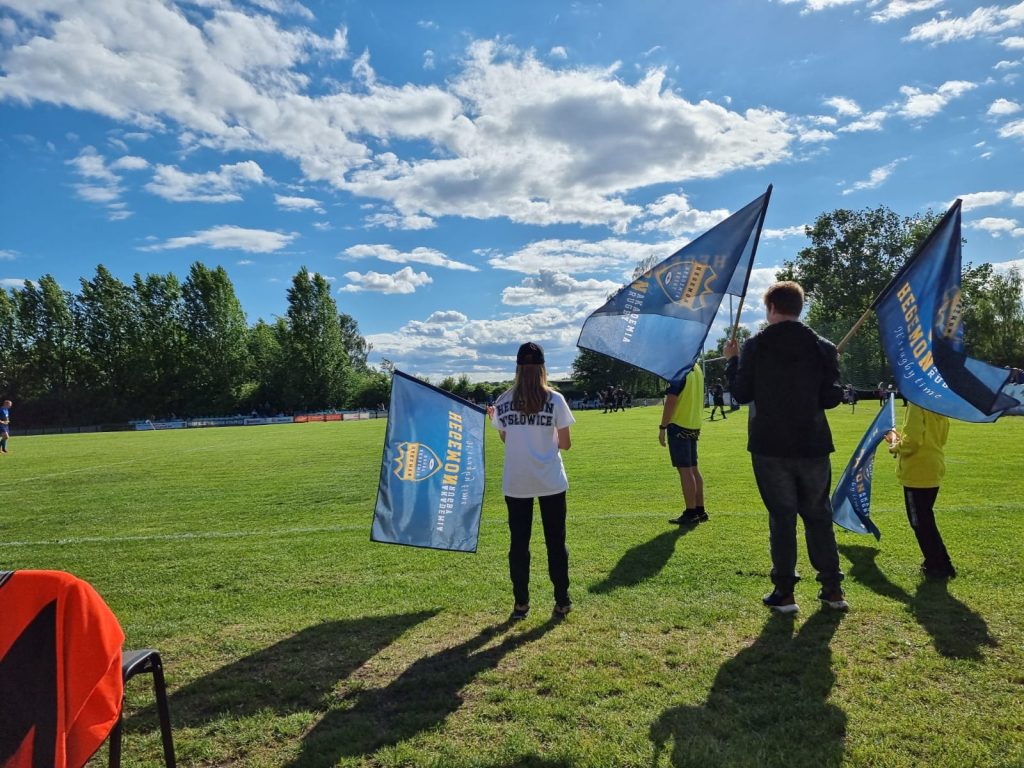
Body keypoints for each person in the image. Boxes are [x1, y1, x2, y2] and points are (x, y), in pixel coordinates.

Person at [724, 281, 847, 614]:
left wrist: (732, 361)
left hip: (770, 445)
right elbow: (831, 398)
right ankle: (832, 590)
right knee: (819, 515)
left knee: (782, 519)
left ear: (771, 308)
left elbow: (741, 393)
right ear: (799, 307)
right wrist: (831, 371)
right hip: (813, 442)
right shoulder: (823, 347)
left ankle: (785, 592)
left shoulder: (755, 346)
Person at [488, 342, 576, 621]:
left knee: (519, 543)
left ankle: (521, 604)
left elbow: (505, 438)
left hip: (517, 481)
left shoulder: (503, 400)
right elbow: (566, 444)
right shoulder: (555, 399)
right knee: (555, 542)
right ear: (542, 368)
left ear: (518, 367)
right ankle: (562, 601)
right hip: (550, 479)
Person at [886, 403, 955, 579]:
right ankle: (942, 562)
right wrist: (901, 440)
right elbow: (938, 436)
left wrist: (895, 447)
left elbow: (913, 441)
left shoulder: (916, 404)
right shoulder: (938, 405)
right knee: (926, 518)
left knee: (920, 521)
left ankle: (936, 565)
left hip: (918, 470)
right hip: (934, 465)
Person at [659, 363, 707, 525]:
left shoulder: (679, 370)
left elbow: (671, 401)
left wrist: (662, 427)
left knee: (685, 470)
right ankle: (700, 510)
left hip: (679, 424)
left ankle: (691, 512)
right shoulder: (697, 368)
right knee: (693, 468)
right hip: (693, 424)